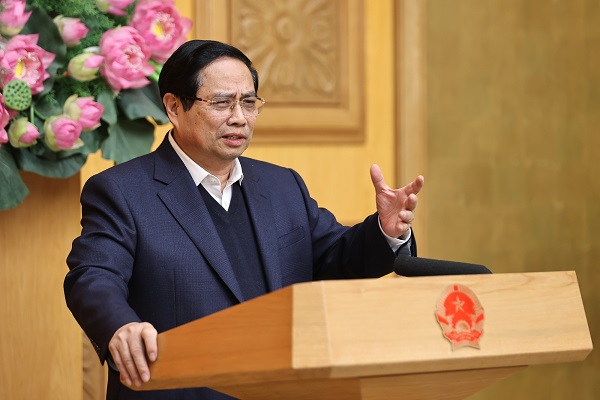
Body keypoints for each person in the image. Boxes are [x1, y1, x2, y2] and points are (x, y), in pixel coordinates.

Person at [64, 39, 424, 400]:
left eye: (249, 103)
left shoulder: (282, 186)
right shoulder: (122, 191)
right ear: (174, 107)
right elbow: (93, 275)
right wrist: (120, 326)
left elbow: (337, 257)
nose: (239, 117)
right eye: (222, 102)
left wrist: (385, 230)